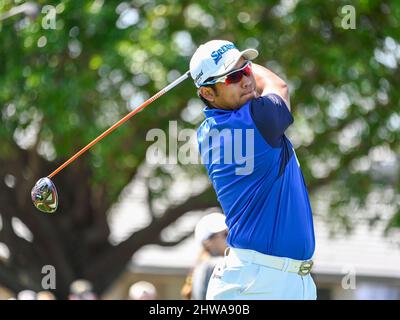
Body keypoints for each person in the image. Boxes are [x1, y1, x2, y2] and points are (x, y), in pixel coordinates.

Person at [189, 40, 316, 300]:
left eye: (247, 71)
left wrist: (233, 63)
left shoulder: (210, 129)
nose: (247, 80)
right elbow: (279, 86)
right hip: (256, 283)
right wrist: (241, 62)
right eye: (233, 77)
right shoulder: (254, 121)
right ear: (208, 94)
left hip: (283, 280)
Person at [181, 212, 228, 300]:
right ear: (207, 242)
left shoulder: (202, 265)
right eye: (225, 234)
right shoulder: (217, 264)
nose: (230, 238)